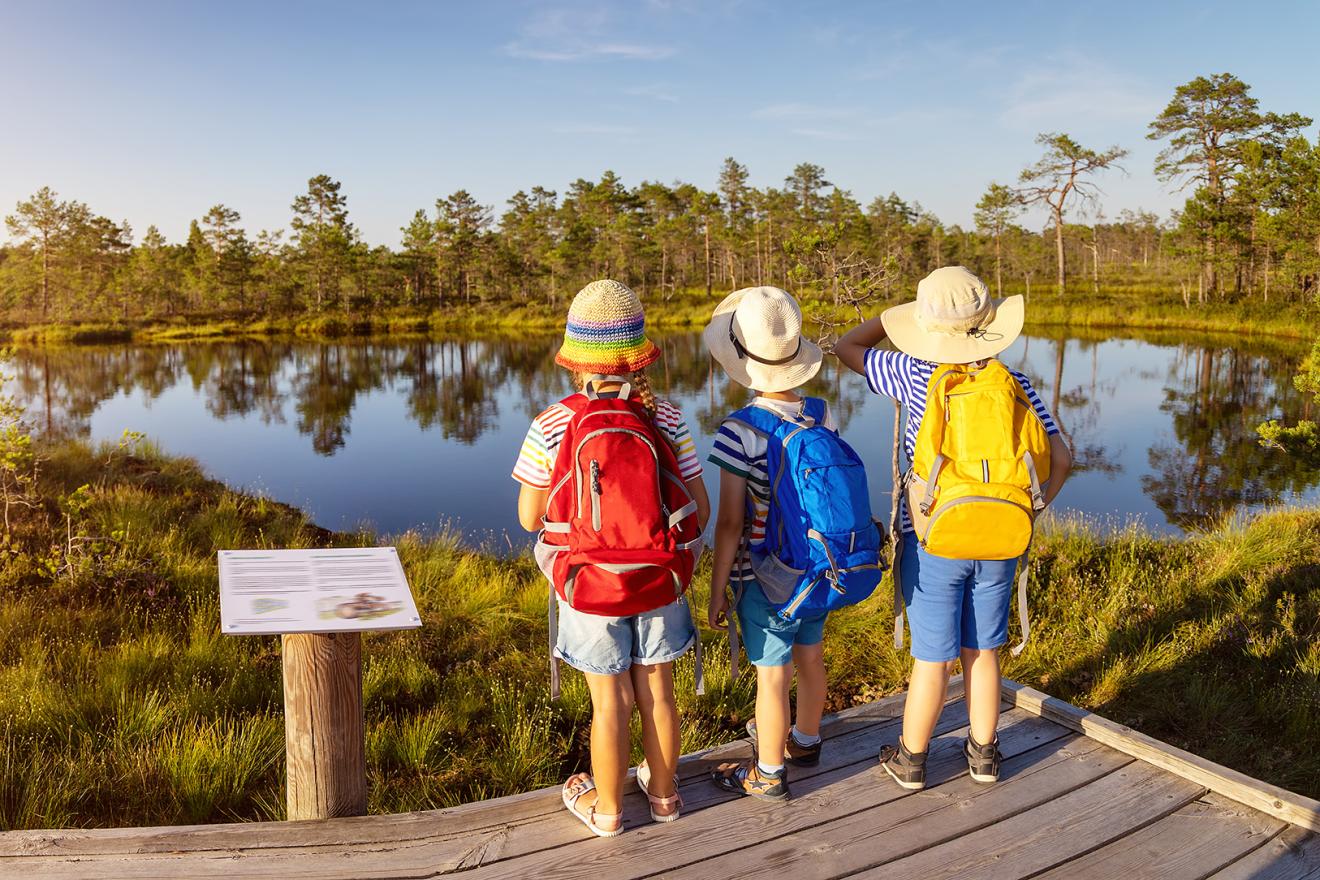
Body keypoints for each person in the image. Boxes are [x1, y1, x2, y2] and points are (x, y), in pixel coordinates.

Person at [833, 266, 1072, 790]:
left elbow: (846, 346)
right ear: (989, 325)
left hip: (933, 538)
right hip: (1003, 533)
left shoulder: (912, 372)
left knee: (932, 659)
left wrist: (892, 320)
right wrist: (1032, 508)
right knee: (984, 651)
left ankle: (912, 760)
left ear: (925, 327)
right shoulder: (1016, 384)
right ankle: (984, 756)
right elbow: (1061, 455)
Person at [513, 279, 710, 836]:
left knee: (610, 701)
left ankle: (607, 811)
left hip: (590, 582)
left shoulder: (551, 423)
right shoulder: (667, 417)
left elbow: (531, 518)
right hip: (659, 578)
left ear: (575, 358)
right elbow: (697, 507)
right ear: (639, 353)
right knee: (658, 694)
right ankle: (666, 797)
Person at [703, 285, 832, 801]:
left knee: (771, 674)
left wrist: (716, 590)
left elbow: (730, 523)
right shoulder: (821, 415)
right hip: (818, 569)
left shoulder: (739, 432)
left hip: (766, 576)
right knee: (812, 655)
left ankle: (770, 772)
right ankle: (806, 739)